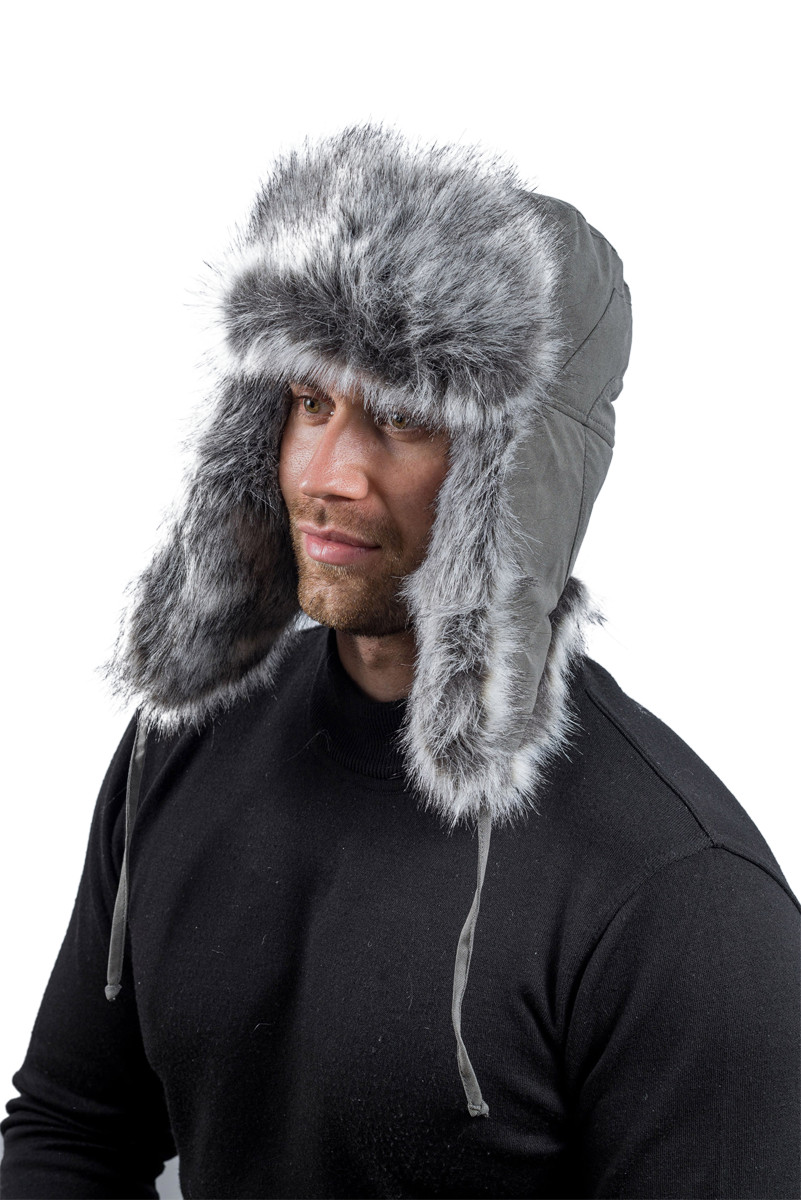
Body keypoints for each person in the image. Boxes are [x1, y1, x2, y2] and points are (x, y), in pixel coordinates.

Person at [2, 126, 798, 1200]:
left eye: (405, 417)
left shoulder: (680, 897)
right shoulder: (180, 749)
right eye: (310, 402)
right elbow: (72, 1129)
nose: (325, 474)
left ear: (519, 474)